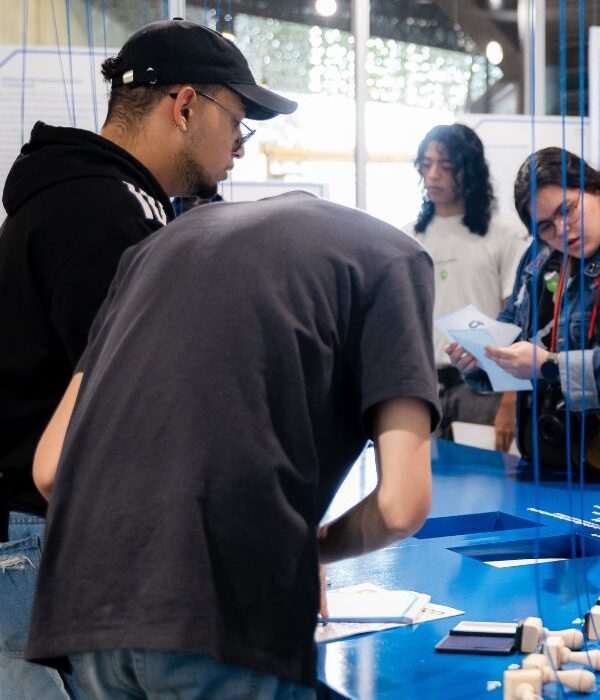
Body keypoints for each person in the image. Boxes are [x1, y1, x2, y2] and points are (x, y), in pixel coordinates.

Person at [26, 192, 438, 698]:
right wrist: (308, 547)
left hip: (86, 613)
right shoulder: (396, 260)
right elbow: (402, 506)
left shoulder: (153, 252)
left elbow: (49, 468)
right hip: (219, 611)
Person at [0, 18, 295, 697]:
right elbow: (142, 404)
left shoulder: (89, 199)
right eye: (238, 122)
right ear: (186, 105)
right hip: (42, 539)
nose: (240, 150)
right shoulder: (106, 212)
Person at [447, 147, 600, 486]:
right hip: (545, 460)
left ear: (594, 188)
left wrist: (549, 365)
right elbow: (510, 330)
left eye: (568, 210)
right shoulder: (539, 255)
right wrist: (481, 358)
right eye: (545, 226)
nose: (562, 230)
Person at [404, 124, 529, 451]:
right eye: (426, 164)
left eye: (446, 166)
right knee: (425, 491)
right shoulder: (408, 238)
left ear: (468, 171)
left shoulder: (502, 234)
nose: (433, 175)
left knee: (482, 490)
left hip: (484, 390)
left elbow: (519, 323)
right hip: (423, 387)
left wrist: (511, 401)